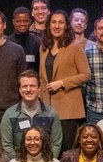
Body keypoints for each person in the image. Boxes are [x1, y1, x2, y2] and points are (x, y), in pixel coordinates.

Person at [39, 9, 92, 144]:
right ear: (49, 25)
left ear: (66, 26)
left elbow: (86, 75)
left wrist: (62, 83)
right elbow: (41, 76)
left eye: (61, 23)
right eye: (54, 22)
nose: (57, 26)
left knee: (65, 149)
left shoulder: (74, 48)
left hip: (68, 108)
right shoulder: (44, 48)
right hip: (47, 108)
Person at [0, 70, 65, 158]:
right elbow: (7, 146)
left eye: (32, 86)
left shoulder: (51, 114)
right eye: (24, 86)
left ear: (39, 89)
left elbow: (56, 144)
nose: (28, 90)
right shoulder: (9, 115)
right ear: (19, 89)